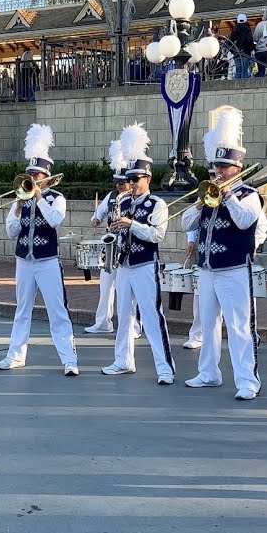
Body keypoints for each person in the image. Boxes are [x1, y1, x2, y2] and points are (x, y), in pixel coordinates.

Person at [182, 108, 267, 400]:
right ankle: (209, 373)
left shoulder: (249, 195)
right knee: (208, 324)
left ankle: (248, 381)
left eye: (225, 167)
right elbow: (185, 224)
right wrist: (199, 203)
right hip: (207, 269)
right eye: (217, 166)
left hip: (233, 268)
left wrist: (227, 195)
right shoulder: (208, 194)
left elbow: (245, 221)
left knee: (240, 326)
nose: (219, 171)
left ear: (238, 168)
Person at [0, 123, 79, 375]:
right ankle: (15, 355)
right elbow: (11, 231)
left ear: (46, 177)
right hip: (24, 260)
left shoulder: (56, 198)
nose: (32, 179)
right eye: (29, 174)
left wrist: (39, 197)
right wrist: (19, 207)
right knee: (22, 310)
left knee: (57, 311)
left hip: (47, 261)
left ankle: (69, 360)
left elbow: (54, 220)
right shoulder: (20, 199)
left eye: (36, 175)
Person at [101, 124, 175, 384]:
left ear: (148, 178)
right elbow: (115, 231)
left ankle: (165, 368)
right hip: (123, 265)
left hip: (145, 265)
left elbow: (157, 235)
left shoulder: (158, 204)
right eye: (128, 179)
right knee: (124, 316)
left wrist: (132, 224)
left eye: (136, 179)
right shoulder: (123, 202)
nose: (130, 184)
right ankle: (123, 360)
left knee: (153, 316)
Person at [85, 147, 135, 335]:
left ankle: (134, 326)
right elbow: (101, 210)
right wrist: (96, 218)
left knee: (129, 290)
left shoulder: (134, 198)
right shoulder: (112, 196)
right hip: (111, 244)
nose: (119, 187)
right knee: (105, 285)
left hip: (127, 245)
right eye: (117, 183)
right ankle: (103, 322)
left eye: (122, 183)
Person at [229, 13, 255, 79]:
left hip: (237, 54)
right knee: (245, 71)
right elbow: (250, 42)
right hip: (246, 53)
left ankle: (237, 85)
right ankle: (245, 85)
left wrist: (233, 51)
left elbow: (229, 43)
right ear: (245, 20)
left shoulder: (234, 31)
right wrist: (251, 49)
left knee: (238, 70)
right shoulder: (247, 30)